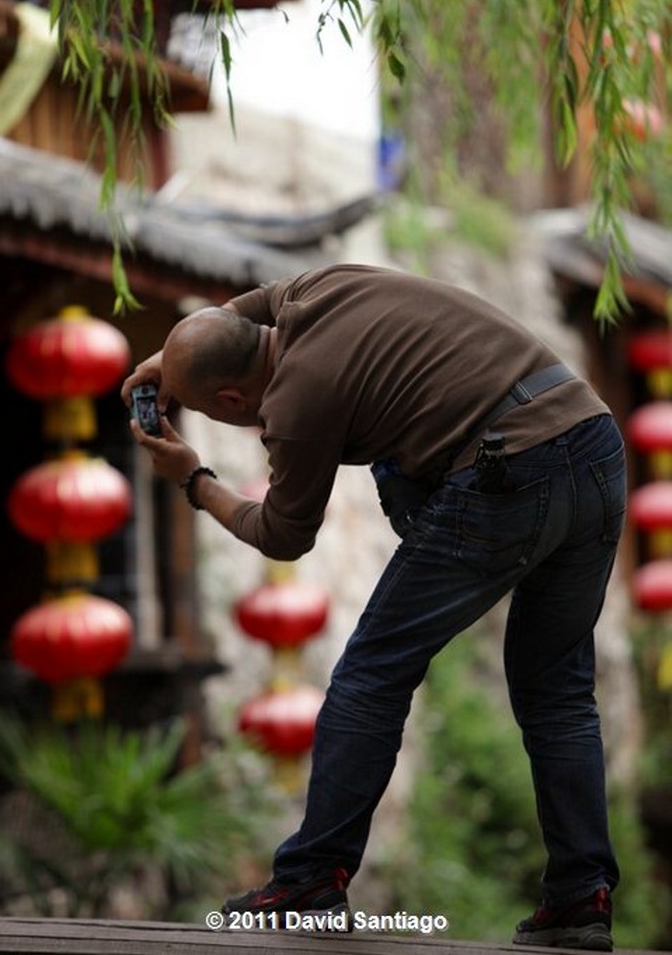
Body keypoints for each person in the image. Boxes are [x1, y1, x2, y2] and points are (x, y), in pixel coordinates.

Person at [122, 263, 625, 951]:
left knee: (371, 673)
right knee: (558, 692)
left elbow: (282, 534)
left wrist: (193, 479)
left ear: (235, 399)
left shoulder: (295, 406)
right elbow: (245, 308)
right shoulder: (315, 288)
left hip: (506, 472)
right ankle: (579, 898)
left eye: (209, 410)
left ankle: (308, 882)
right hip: (592, 441)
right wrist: (173, 359)